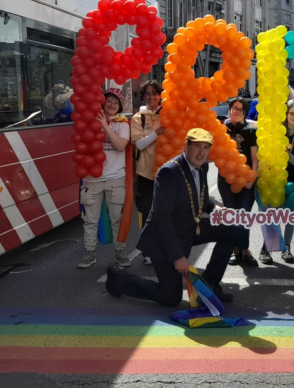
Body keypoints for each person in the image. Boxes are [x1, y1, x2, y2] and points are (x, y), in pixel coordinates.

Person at [106, 128, 242, 306]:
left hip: (188, 228)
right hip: (163, 239)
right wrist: (178, 256)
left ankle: (209, 286)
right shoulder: (169, 172)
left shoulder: (202, 166)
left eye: (206, 148)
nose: (201, 153)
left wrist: (215, 208)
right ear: (186, 146)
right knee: (170, 298)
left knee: (233, 230)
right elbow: (163, 219)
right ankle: (119, 279)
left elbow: (198, 194)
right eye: (197, 147)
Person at [78, 88, 131, 269]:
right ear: (102, 102)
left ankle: (120, 251)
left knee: (117, 218)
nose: (112, 105)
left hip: (116, 178)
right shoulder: (89, 120)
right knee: (90, 219)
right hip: (91, 179)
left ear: (120, 107)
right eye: (109, 101)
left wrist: (106, 125)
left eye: (116, 103)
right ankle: (90, 253)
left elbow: (120, 146)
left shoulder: (122, 124)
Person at [259, 99, 294, 264]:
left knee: (291, 216)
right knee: (272, 214)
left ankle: (287, 247)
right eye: (291, 113)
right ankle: (266, 247)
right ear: (286, 114)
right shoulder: (278, 131)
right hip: (275, 179)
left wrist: (290, 157)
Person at [222, 97, 259, 267]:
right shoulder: (222, 129)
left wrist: (253, 176)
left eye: (240, 109)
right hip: (226, 179)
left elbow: (254, 158)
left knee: (243, 214)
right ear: (229, 110)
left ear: (245, 112)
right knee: (231, 215)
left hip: (246, 179)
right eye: (233, 108)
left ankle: (245, 250)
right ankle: (234, 250)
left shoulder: (251, 129)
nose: (236, 111)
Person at [130, 79, 164, 265]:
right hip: (145, 173)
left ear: (160, 95)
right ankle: (148, 250)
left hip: (166, 171)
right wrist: (157, 133)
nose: (151, 97)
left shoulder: (167, 114)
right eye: (147, 94)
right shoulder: (138, 118)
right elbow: (140, 144)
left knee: (166, 211)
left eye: (154, 93)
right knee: (147, 211)